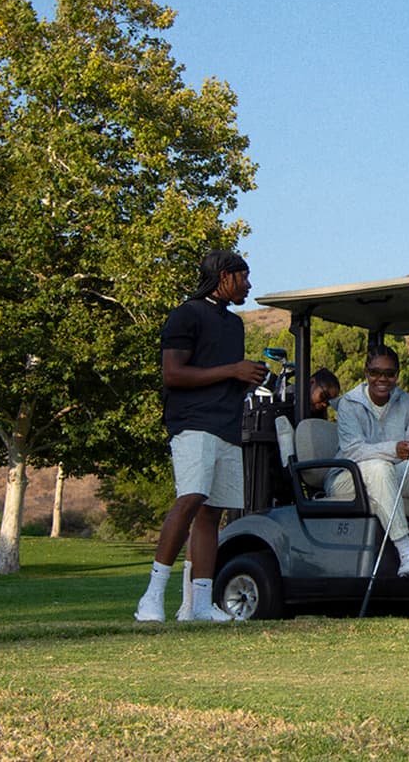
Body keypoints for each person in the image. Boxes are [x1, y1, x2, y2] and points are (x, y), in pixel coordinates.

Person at [135, 250, 270, 622]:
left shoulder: (234, 325)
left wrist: (248, 377)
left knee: (213, 513)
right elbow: (173, 374)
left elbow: (225, 376)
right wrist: (233, 370)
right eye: (243, 277)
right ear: (224, 277)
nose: (248, 285)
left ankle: (198, 605)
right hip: (192, 422)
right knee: (190, 498)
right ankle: (151, 597)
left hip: (228, 425)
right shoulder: (186, 314)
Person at [327, 346, 409, 577]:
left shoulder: (406, 401)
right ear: (366, 373)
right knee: (379, 468)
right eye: (376, 372)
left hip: (387, 475)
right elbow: (354, 451)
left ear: (397, 375)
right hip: (347, 477)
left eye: (389, 373)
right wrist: (394, 449)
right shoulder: (349, 404)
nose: (382, 379)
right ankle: (407, 552)